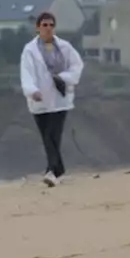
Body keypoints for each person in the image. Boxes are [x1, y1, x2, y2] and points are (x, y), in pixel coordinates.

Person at [19, 11, 85, 187]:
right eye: (44, 25)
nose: (48, 28)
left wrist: (64, 77)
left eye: (51, 25)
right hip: (39, 100)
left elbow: (77, 65)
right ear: (38, 27)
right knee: (47, 136)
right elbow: (26, 73)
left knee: (52, 135)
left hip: (60, 98)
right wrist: (32, 90)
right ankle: (57, 170)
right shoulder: (30, 50)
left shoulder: (64, 47)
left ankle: (51, 172)